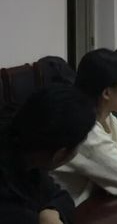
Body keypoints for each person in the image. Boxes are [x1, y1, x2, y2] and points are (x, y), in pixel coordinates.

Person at [51, 49, 117, 205]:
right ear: (107, 93)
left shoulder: (106, 116)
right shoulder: (86, 132)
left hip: (97, 202)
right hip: (76, 211)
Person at [0, 85, 95, 223]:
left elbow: (61, 197)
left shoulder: (25, 151)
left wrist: (51, 210)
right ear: (60, 155)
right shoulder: (12, 205)